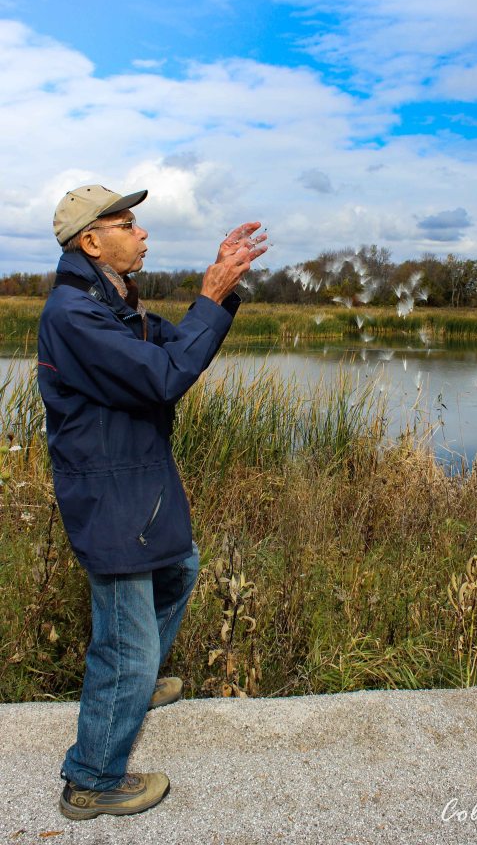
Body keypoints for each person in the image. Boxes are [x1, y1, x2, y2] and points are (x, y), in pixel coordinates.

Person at [37, 183, 266, 821]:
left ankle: (132, 688)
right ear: (91, 241)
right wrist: (211, 295)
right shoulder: (73, 315)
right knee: (124, 645)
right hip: (109, 493)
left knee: (180, 567)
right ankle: (92, 780)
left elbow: (173, 349)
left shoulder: (110, 303)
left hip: (135, 482)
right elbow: (163, 377)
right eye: (128, 225)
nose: (142, 235)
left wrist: (216, 296)